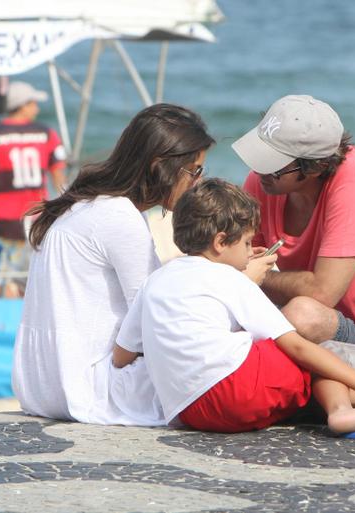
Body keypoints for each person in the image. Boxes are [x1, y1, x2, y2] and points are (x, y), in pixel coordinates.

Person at [115, 178, 355, 436]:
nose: (249, 254)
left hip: (189, 412)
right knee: (316, 351)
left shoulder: (156, 280)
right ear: (219, 243)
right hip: (235, 394)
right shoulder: (230, 280)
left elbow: (122, 355)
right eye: (246, 243)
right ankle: (347, 411)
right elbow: (297, 346)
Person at [11, 103, 218, 426]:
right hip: (88, 388)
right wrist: (236, 279)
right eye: (194, 170)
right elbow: (156, 314)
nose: (196, 182)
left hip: (42, 387)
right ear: (160, 166)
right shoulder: (119, 216)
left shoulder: (81, 202)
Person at [233, 95, 355, 375]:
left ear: (316, 166)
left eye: (274, 163)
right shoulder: (266, 180)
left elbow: (322, 292)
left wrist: (256, 275)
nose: (260, 170)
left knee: (302, 313)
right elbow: (236, 261)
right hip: (310, 331)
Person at [0, 81, 67, 297]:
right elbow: (59, 179)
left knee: (4, 279)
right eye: (33, 103)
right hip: (37, 217)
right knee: (34, 278)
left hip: (5, 219)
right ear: (22, 105)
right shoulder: (47, 134)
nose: (37, 108)